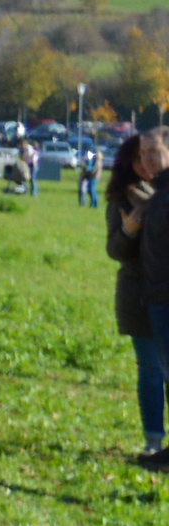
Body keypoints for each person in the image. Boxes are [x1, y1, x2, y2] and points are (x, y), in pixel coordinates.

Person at [109, 131, 164, 466]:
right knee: (151, 369)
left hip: (164, 293)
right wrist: (128, 230)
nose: (144, 163)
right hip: (139, 295)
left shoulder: (164, 193)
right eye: (138, 158)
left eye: (150, 155)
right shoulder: (122, 198)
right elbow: (113, 250)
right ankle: (153, 440)